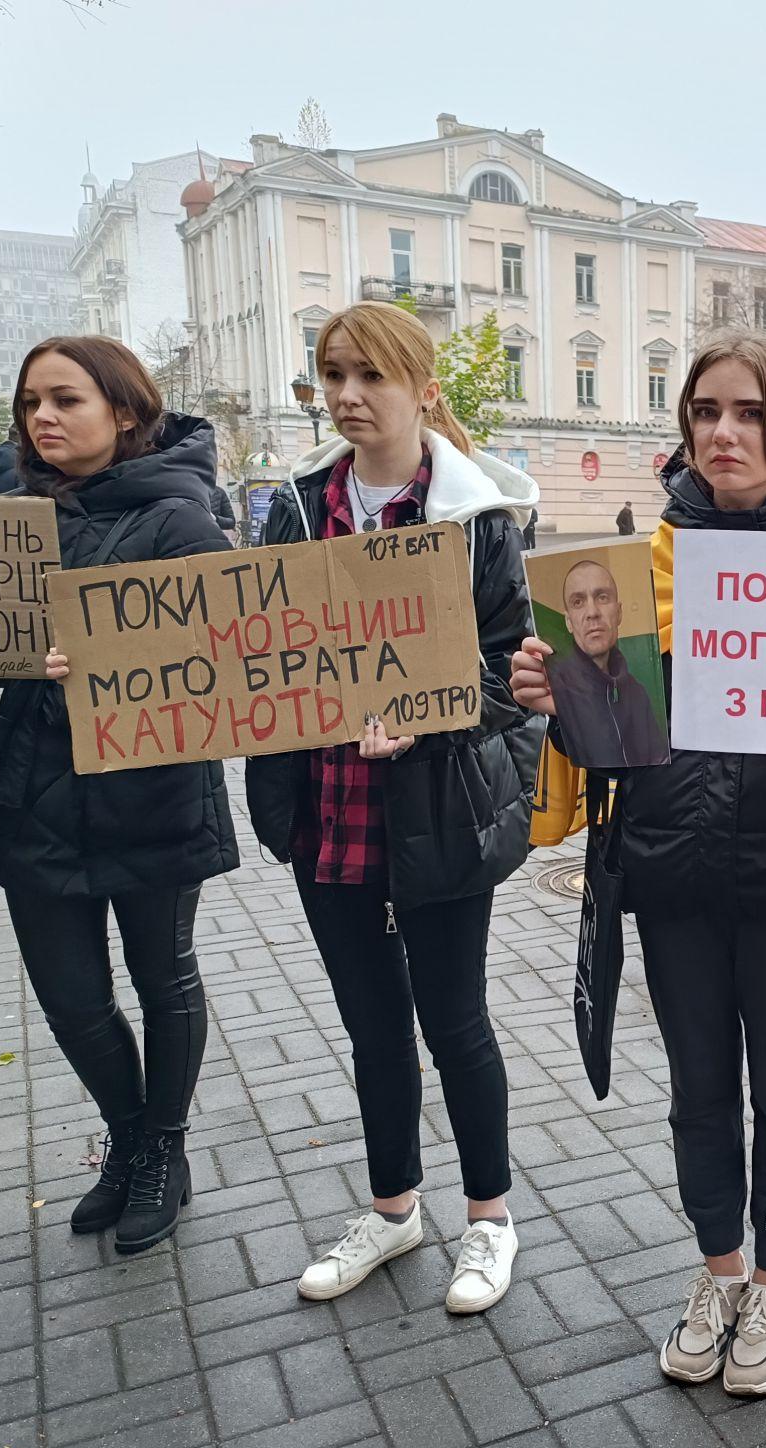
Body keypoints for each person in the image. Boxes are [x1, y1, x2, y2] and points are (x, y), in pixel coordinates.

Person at [512, 332, 766, 1398]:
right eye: (705, 413)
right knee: (698, 1091)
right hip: (671, 873)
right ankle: (720, 1275)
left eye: (748, 413)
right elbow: (605, 741)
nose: (724, 433)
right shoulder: (636, 571)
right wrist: (558, 700)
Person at [244, 301, 543, 1316]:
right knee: (372, 1028)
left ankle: (489, 1218)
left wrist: (431, 716)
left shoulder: (476, 520)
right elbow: (252, 647)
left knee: (456, 1023)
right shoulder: (296, 509)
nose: (347, 395)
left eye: (370, 375)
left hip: (440, 808)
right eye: (333, 373)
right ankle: (392, 1208)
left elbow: (513, 669)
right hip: (327, 809)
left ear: (423, 390)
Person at [0, 336, 237, 1254]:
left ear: (124, 412)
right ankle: (127, 1139)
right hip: (36, 793)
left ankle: (163, 1149)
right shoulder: (3, 522)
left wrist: (109, 658)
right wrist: (8, 656)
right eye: (30, 403)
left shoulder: (179, 519)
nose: (41, 418)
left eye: (65, 400)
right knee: (72, 999)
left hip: (151, 791)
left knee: (163, 978)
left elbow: (228, 660)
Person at [545, 555, 669, 767]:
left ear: (619, 612)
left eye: (602, 598)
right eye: (578, 602)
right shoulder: (557, 686)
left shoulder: (637, 693)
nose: (592, 613)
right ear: (568, 622)